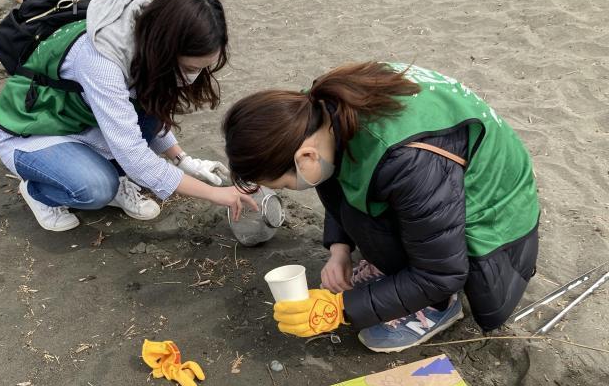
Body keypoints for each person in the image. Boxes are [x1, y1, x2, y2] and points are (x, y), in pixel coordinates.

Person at [223, 62, 540, 352]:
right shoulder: (313, 113)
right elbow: (336, 180)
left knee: (411, 244)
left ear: (305, 157)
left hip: (497, 213)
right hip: (440, 185)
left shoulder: (407, 161)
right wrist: (339, 249)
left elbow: (442, 272)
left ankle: (440, 307)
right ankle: (394, 272)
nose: (292, 189)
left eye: (284, 185)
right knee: (373, 203)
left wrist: (342, 310)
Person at [0, 0, 257, 231]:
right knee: (95, 188)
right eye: (189, 68)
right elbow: (134, 155)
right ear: (165, 48)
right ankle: (38, 191)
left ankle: (103, 170)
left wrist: (182, 159)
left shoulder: (147, 33)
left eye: (202, 69)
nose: (193, 77)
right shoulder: (102, 61)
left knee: (149, 111)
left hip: (82, 120)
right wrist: (214, 194)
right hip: (32, 131)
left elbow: (148, 114)